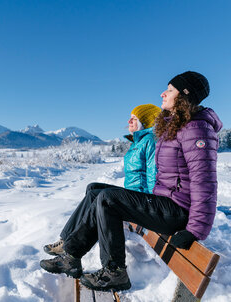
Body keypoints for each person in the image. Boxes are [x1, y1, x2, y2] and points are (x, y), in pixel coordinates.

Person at [40, 71, 222, 292]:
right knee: (97, 191)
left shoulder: (196, 129)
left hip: (178, 211)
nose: (163, 93)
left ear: (185, 96)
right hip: (164, 203)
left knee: (108, 199)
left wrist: (194, 231)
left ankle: (114, 272)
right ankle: (71, 255)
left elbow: (205, 183)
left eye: (170, 90)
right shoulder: (178, 125)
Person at [42, 104, 161, 257]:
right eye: (130, 117)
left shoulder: (150, 141)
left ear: (145, 121)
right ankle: (67, 238)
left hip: (141, 200)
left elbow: (154, 176)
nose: (129, 120)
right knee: (93, 188)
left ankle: (69, 243)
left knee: (96, 195)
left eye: (135, 118)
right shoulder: (138, 142)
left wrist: (152, 206)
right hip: (132, 195)